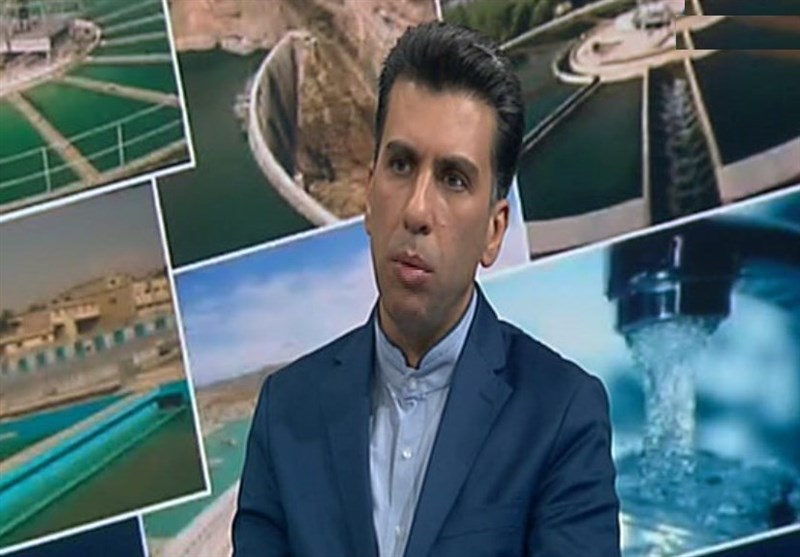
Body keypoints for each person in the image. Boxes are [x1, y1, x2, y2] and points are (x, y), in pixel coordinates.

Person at [232, 21, 620, 557]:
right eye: (400, 165)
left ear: (494, 232)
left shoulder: (561, 414)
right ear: (369, 195)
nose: (416, 210)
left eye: (454, 179)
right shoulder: (285, 412)